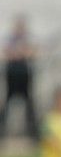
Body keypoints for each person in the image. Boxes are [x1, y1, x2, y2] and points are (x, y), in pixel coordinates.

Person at [0, 15, 40, 143]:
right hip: (12, 76)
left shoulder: (28, 39)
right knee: (7, 104)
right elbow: (7, 53)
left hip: (25, 76)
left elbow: (32, 52)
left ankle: (34, 134)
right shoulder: (10, 39)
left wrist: (21, 53)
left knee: (29, 106)